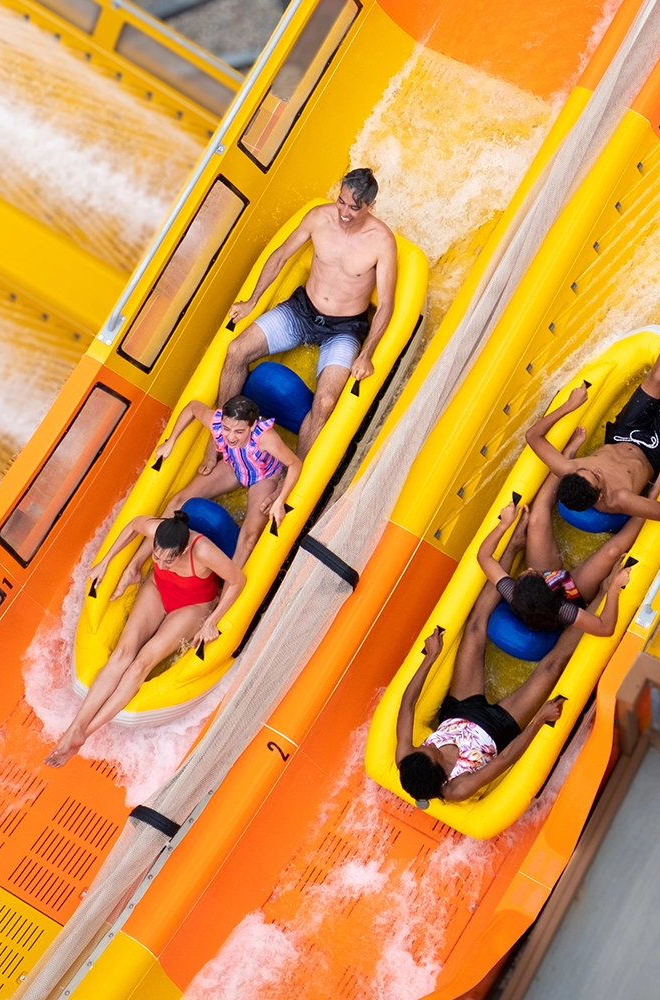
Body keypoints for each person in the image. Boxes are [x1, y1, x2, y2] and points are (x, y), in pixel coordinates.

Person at [395, 519, 628, 805]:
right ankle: (604, 592)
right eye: (428, 750)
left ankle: (513, 549)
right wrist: (538, 720)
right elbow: (506, 758)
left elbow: (407, 704)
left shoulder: (407, 758)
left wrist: (429, 660)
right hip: (496, 730)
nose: (423, 744)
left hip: (459, 711)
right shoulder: (457, 788)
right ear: (441, 771)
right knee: (551, 667)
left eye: (419, 746)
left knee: (474, 629)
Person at [525, 269, 660, 522]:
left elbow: (532, 436)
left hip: (624, 432)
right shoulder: (619, 499)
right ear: (601, 493)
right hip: (655, 450)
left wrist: (568, 406)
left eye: (588, 468)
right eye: (597, 476)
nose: (595, 468)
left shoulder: (568, 468)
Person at [216, 167, 397, 458]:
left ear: (371, 206)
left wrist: (367, 354)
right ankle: (222, 442)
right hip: (301, 311)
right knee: (236, 350)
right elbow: (281, 255)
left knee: (325, 402)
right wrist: (252, 301)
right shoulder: (319, 217)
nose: (345, 212)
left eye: (355, 207)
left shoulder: (381, 241)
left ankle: (293, 473)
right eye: (342, 202)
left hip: (344, 328)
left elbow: (386, 303)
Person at [45, 511, 244, 767]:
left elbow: (237, 580)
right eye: (156, 556)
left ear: (183, 552)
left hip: (192, 606)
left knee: (140, 664)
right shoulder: (157, 531)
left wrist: (212, 620)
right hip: (158, 590)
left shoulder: (202, 550)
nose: (160, 563)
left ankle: (86, 732)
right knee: (121, 654)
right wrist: (105, 561)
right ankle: (74, 728)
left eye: (168, 561)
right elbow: (133, 525)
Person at [112, 396, 301, 599]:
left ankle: (225, 597)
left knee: (249, 538)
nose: (230, 437)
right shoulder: (218, 423)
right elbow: (193, 407)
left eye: (239, 431)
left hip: (263, 477)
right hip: (234, 466)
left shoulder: (266, 438)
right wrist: (171, 441)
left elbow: (295, 464)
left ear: (253, 425)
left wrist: (280, 498)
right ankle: (135, 566)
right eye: (227, 429)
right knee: (178, 500)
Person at [477, 467, 660, 632]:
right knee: (613, 551)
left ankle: (566, 464)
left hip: (542, 589)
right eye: (532, 573)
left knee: (535, 520)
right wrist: (614, 589)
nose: (528, 569)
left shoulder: (511, 590)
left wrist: (504, 525)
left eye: (526, 573)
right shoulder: (563, 609)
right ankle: (652, 496)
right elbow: (604, 628)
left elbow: (483, 556)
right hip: (571, 592)